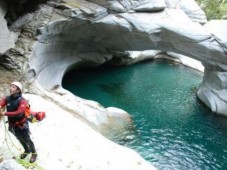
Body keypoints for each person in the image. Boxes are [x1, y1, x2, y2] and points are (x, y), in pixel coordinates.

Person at [0, 81, 37, 163]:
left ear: (18, 90)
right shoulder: (7, 98)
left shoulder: (22, 101)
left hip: (22, 125)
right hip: (12, 125)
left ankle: (34, 153)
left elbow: (19, 112)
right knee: (19, 138)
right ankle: (27, 150)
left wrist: (4, 113)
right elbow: (2, 102)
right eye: (11, 86)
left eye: (13, 87)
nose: (11, 88)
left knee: (27, 139)